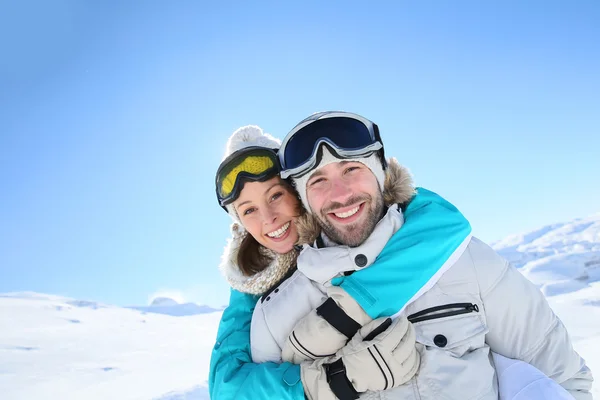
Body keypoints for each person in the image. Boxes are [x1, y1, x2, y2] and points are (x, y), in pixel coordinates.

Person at [210, 118, 591, 399]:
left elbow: (559, 375)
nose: (269, 220)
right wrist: (335, 380)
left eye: (276, 196)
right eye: (248, 211)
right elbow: (228, 387)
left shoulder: (452, 252)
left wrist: (348, 310)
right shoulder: (264, 303)